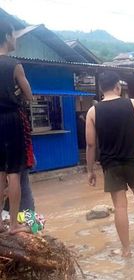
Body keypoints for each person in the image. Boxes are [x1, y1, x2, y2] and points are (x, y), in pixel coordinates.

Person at [85, 71, 134, 257]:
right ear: (118, 86)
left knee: (120, 207)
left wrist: (90, 170)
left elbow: (90, 144)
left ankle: (126, 250)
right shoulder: (133, 103)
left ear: (100, 89)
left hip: (110, 164)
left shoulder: (93, 111)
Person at [0, 20, 33, 234]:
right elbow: (28, 94)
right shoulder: (14, 65)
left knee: (0, 171)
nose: (15, 39)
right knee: (14, 173)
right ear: (7, 35)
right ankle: (13, 225)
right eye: (14, 34)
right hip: (11, 119)